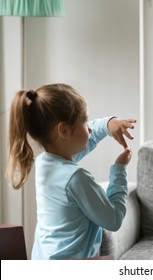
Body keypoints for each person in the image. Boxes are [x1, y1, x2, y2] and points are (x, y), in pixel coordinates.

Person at [6, 83, 137, 260]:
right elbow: (113, 220)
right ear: (64, 130)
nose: (89, 128)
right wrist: (119, 170)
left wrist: (108, 124)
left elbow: (85, 139)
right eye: (84, 121)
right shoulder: (76, 178)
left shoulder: (45, 163)